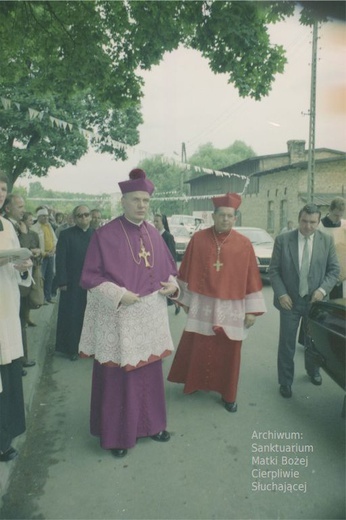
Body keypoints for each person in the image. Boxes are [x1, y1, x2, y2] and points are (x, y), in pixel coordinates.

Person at [79, 168, 178, 458]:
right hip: (121, 317)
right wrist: (120, 294)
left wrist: (171, 286)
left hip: (149, 317)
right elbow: (89, 277)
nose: (142, 205)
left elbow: (169, 270)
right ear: (123, 201)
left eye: (146, 201)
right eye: (136, 200)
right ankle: (117, 436)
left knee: (149, 374)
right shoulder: (104, 234)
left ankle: (153, 425)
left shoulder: (154, 234)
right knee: (119, 378)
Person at [168, 193, 266, 413]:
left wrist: (252, 310)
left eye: (230, 216)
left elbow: (252, 278)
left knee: (229, 349)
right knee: (199, 344)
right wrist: (185, 300)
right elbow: (187, 271)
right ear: (213, 216)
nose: (225, 220)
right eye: (221, 215)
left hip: (232, 306)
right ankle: (195, 383)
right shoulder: (199, 239)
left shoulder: (244, 244)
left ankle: (228, 394)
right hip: (204, 303)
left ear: (235, 218)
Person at [269, 203, 340, 399]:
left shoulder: (326, 241)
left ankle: (313, 371)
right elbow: (274, 270)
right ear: (299, 219)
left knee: (314, 340)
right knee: (287, 343)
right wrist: (281, 294)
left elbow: (334, 270)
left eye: (312, 222)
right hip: (289, 302)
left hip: (314, 303)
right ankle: (285, 381)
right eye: (304, 221)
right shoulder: (283, 240)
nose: (308, 226)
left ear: (318, 222)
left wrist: (322, 289)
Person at [0, 173, 32, 462]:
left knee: (8, 373)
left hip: (7, 308)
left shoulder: (8, 225)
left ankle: (6, 435)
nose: (0, 193)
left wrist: (22, 266)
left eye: (3, 189)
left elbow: (14, 269)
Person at [55, 205, 94, 360]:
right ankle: (71, 349)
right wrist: (62, 281)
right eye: (79, 216)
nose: (83, 218)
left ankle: (89, 348)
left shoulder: (96, 235)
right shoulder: (66, 235)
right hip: (72, 283)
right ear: (74, 218)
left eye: (86, 214)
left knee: (90, 316)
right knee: (72, 316)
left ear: (90, 216)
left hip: (93, 283)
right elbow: (60, 260)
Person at [2, 196, 36, 373]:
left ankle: (20, 360)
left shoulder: (11, 225)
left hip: (14, 284)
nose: (23, 210)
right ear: (8, 209)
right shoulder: (8, 225)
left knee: (19, 323)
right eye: (20, 206)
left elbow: (25, 250)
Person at [153, 213, 181, 315]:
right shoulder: (153, 235)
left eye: (157, 221)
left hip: (165, 268)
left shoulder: (168, 236)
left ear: (163, 222)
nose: (155, 223)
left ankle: (176, 303)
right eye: (154, 221)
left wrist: (172, 271)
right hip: (155, 267)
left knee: (167, 288)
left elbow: (172, 255)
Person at [320, 197, 346, 298]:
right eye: (335, 215)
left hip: (339, 270)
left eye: (341, 215)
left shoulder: (344, 225)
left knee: (336, 303)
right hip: (323, 270)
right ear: (330, 210)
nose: (338, 218)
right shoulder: (319, 225)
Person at [31, 207, 57, 304]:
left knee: (50, 276)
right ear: (39, 217)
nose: (46, 218)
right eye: (44, 216)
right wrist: (44, 253)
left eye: (47, 216)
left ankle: (48, 296)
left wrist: (54, 249)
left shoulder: (49, 226)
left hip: (51, 255)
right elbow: (35, 244)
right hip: (41, 257)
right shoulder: (34, 228)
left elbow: (54, 240)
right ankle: (41, 299)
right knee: (41, 278)